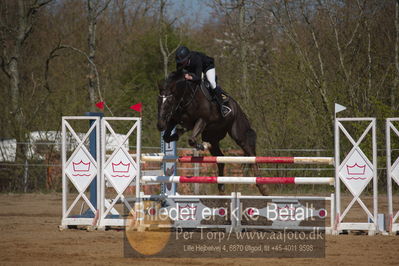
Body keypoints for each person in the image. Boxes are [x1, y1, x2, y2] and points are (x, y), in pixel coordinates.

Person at [175, 46, 231, 117]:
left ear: (188, 58)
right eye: (180, 62)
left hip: (207, 66)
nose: (181, 64)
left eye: (183, 62)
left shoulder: (196, 59)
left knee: (211, 83)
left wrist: (189, 77)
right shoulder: (180, 63)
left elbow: (198, 78)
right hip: (194, 69)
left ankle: (223, 106)